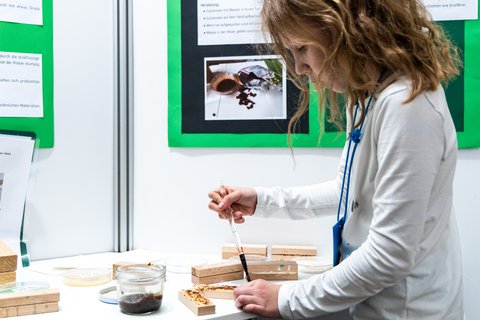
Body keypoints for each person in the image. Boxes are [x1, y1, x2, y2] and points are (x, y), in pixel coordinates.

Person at [208, 0, 463, 319]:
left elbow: (390, 255)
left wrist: (287, 299)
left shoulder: (406, 105)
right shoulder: (368, 96)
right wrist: (262, 200)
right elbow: (351, 192)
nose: (299, 68)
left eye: (301, 48)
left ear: (343, 28)